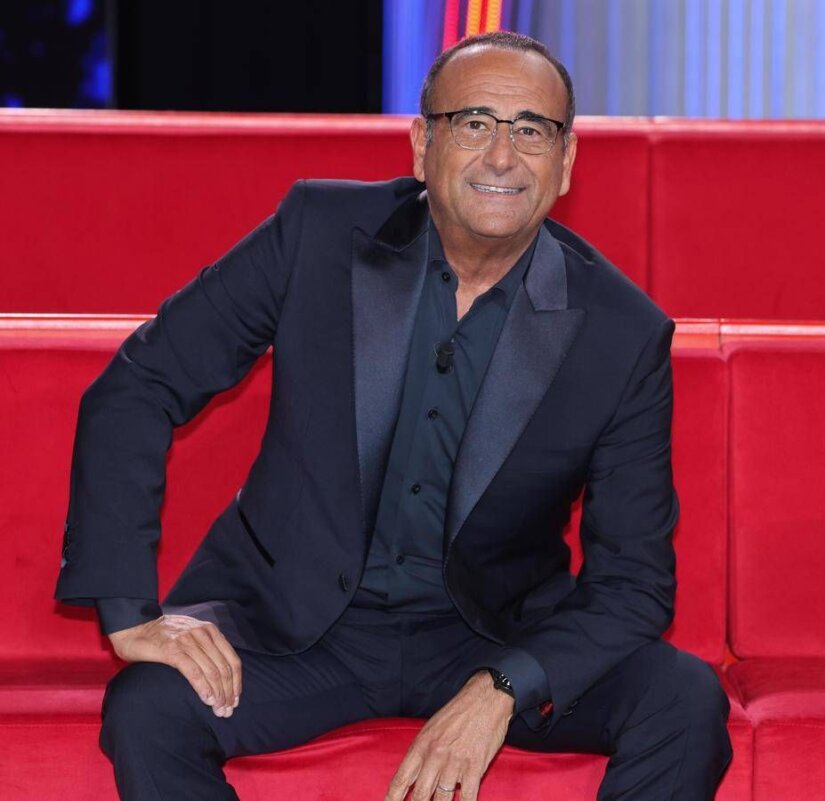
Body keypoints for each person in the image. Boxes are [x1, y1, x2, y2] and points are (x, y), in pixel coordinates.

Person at [54, 31, 731, 801]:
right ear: (421, 144)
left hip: (489, 634)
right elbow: (143, 381)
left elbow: (635, 584)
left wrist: (505, 685)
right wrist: (129, 611)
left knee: (683, 700)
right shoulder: (317, 233)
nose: (502, 156)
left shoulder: (621, 331)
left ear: (566, 160)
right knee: (149, 708)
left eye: (531, 130)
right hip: (295, 625)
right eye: (474, 123)